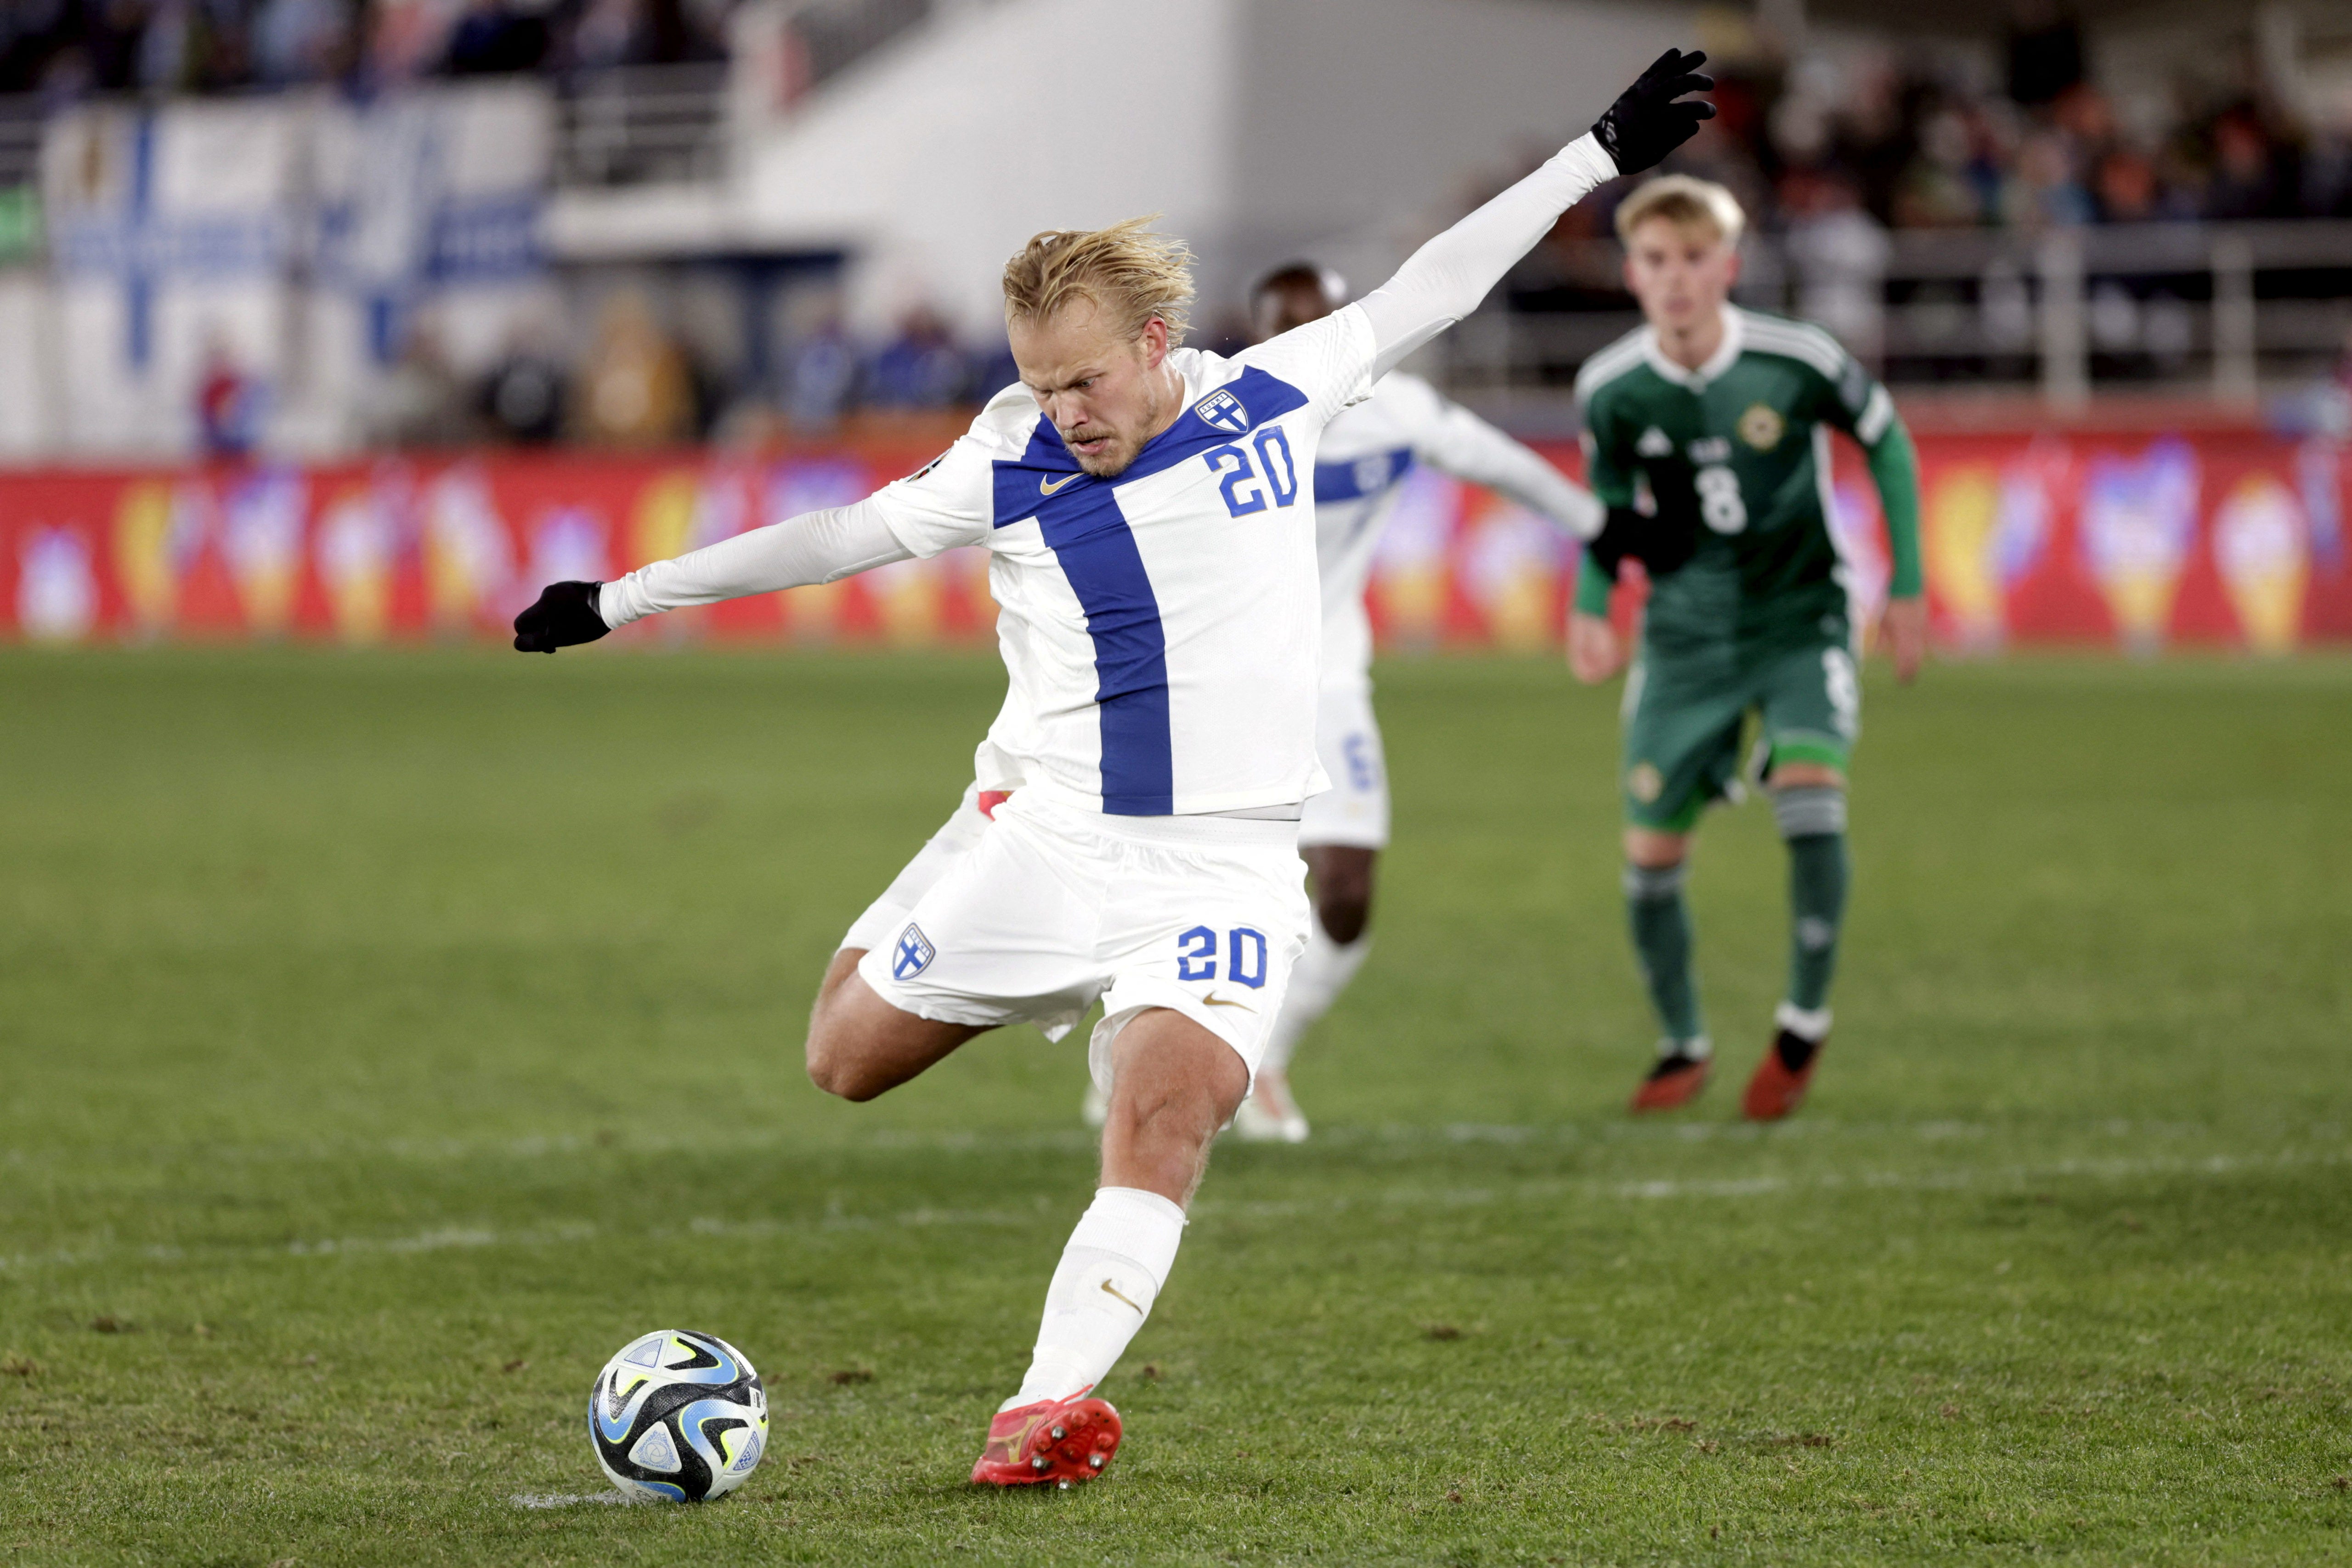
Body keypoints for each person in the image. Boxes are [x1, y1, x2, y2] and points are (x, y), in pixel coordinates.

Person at [512, 50, 1714, 1488]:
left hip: (1223, 863)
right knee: (841, 1056)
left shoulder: (1274, 394)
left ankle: (1041, 1408)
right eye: (1038, 382)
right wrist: (622, 598)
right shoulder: (1007, 454)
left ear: (1155, 341)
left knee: (1168, 1115)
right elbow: (834, 538)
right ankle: (980, 829)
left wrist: (1594, 155)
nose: (1064, 409)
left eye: (1083, 379)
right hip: (1052, 835)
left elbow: (1433, 287)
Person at [1133, 260, 1606, 1143]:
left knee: (1346, 891)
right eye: (1284, 330)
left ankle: (1264, 1056)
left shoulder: (1399, 413)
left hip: (1330, 680)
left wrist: (1603, 528)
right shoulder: (1208, 421)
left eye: (1318, 327)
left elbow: (1508, 467)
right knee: (1185, 891)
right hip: (1215, 684)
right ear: (1257, 336)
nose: (1304, 347)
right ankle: (1145, 1056)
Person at [1565, 173, 1925, 1121]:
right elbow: (1611, 507)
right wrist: (1594, 601)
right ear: (1631, 273)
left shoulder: (1796, 358)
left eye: (1693, 259)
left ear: (1728, 267)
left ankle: (1803, 1021)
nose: (1676, 279)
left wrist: (1910, 584)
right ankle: (1683, 1045)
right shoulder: (1610, 388)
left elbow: (1886, 443)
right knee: (1648, 857)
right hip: (1683, 639)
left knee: (1810, 788)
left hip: (1799, 616)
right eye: (1655, 260)